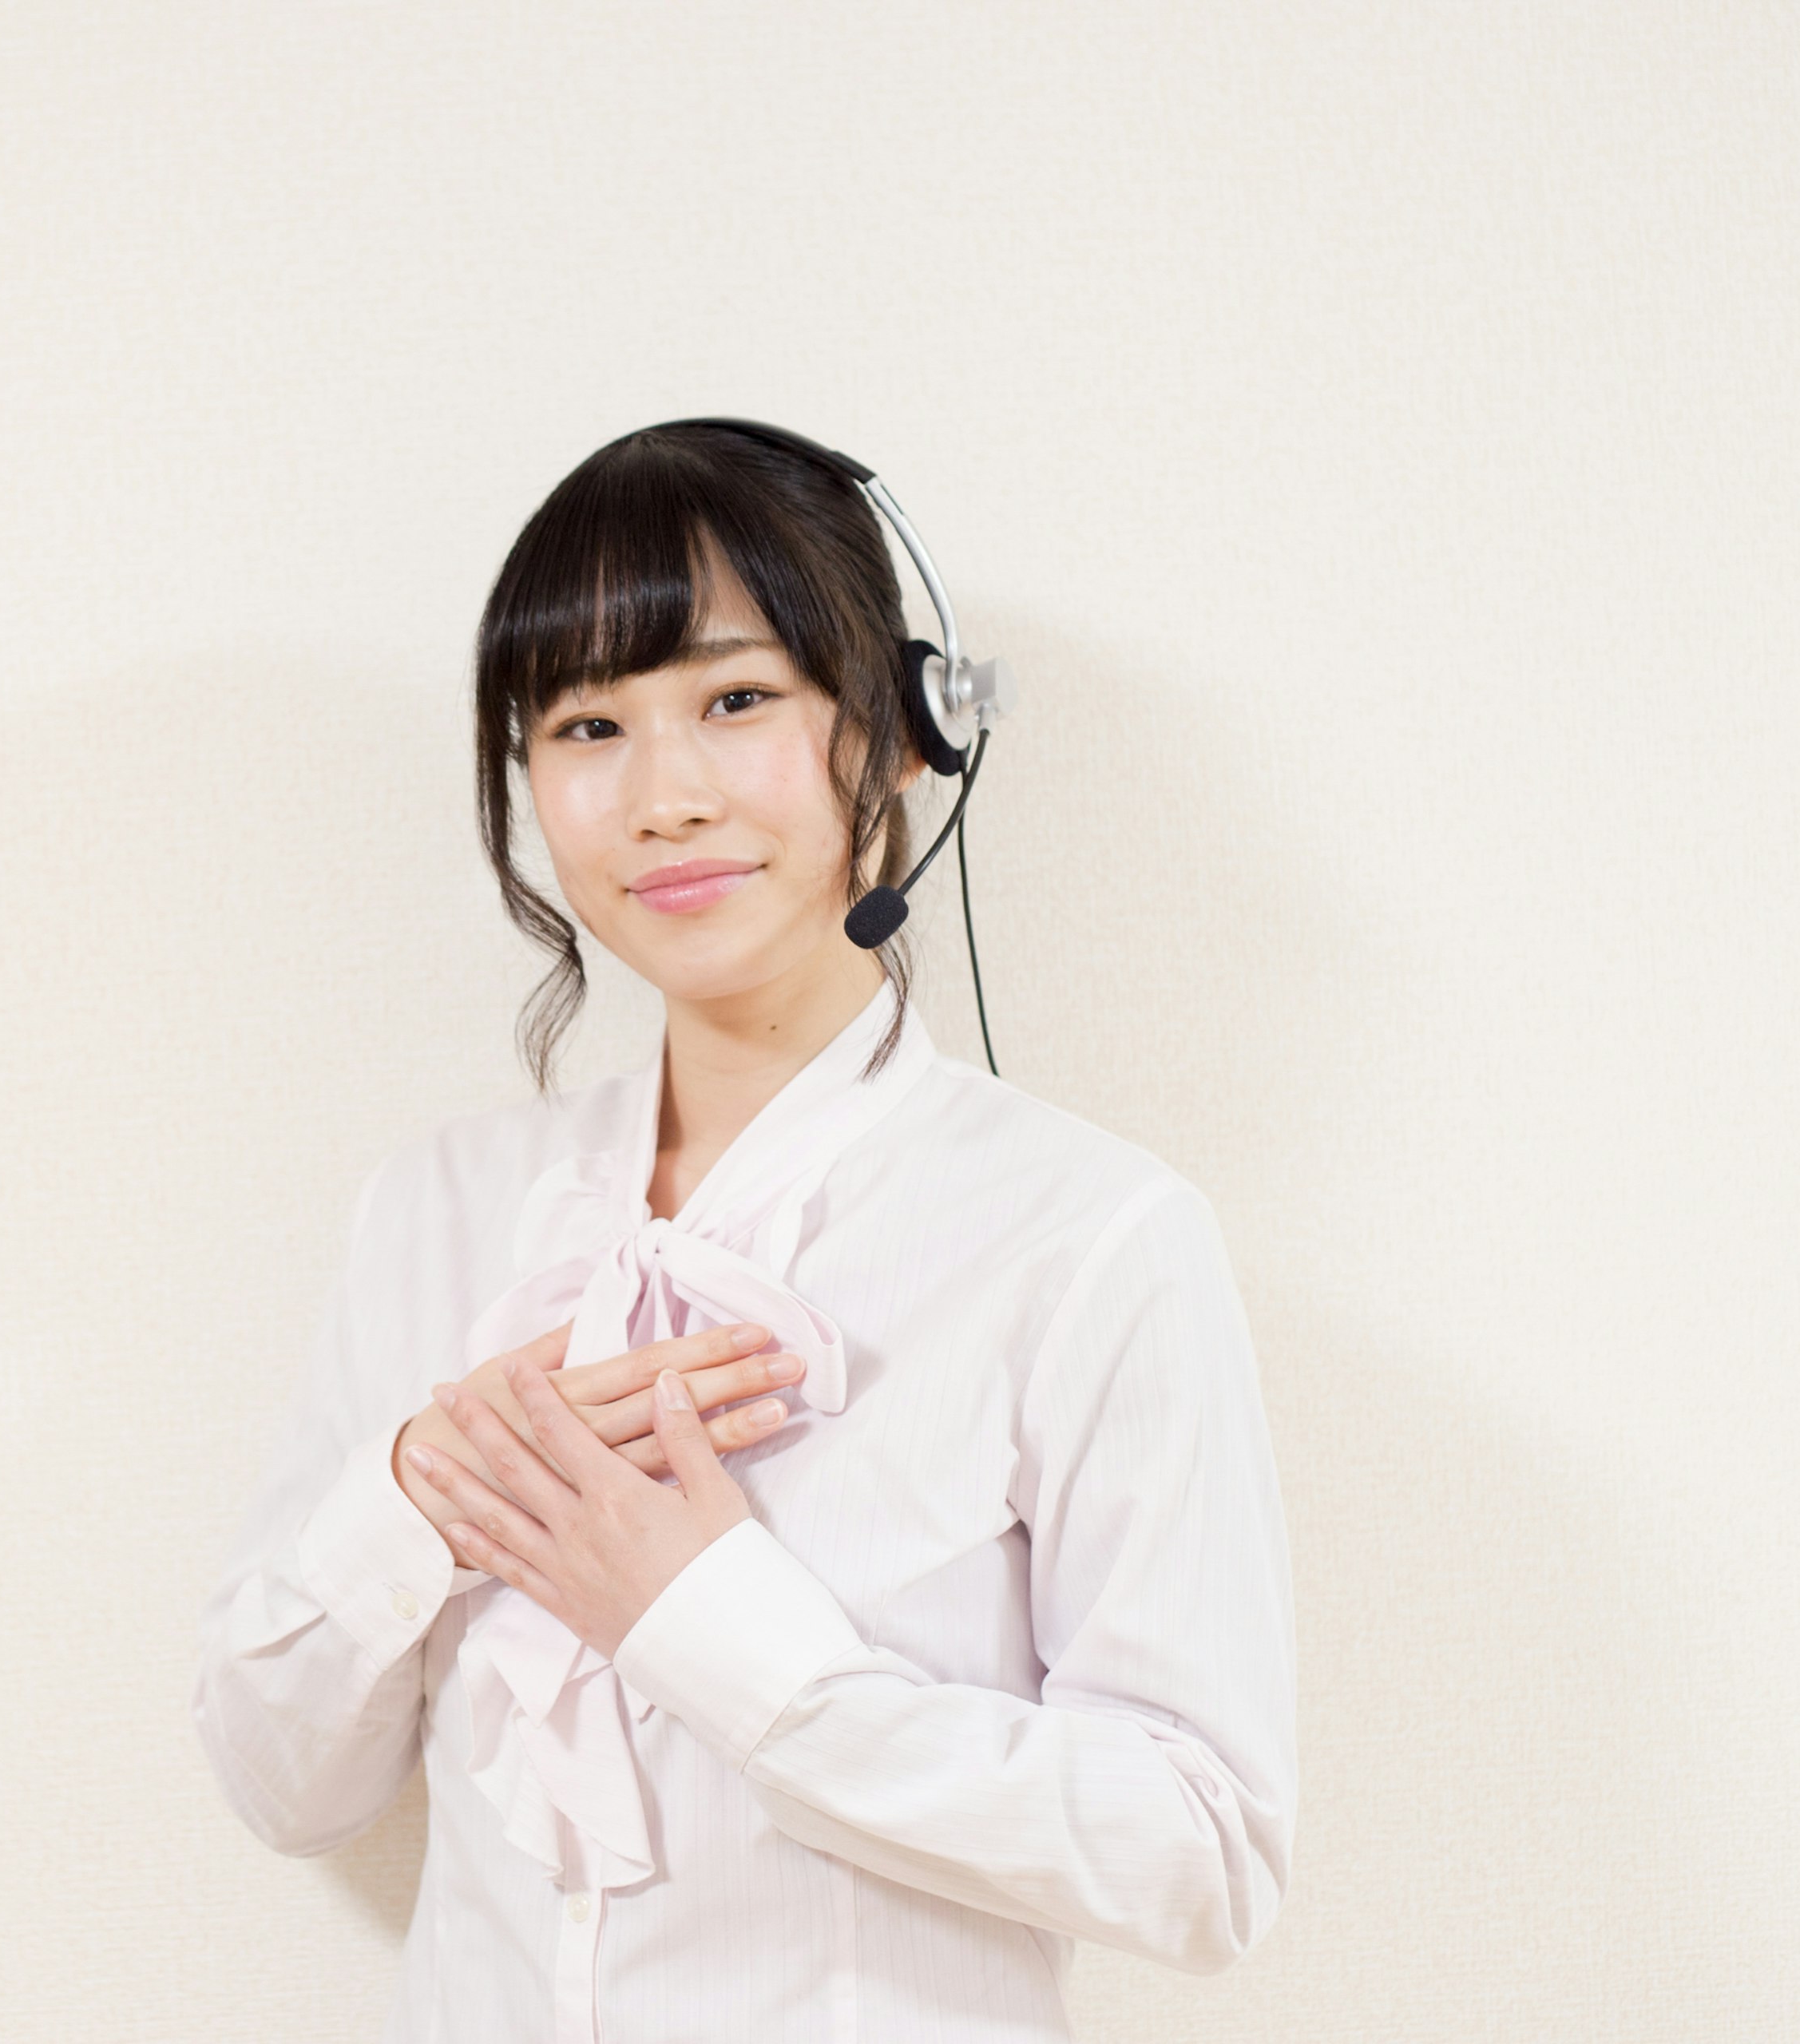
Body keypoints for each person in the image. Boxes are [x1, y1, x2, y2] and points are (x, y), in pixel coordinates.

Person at [192, 421, 1298, 2043]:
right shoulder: (436, 1209)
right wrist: (427, 1490)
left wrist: (711, 1628)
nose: (662, 797)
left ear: (907, 729)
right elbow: (284, 1783)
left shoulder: (1090, 1237)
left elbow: (1204, 1851)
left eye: (736, 699)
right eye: (586, 723)